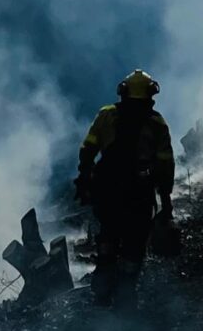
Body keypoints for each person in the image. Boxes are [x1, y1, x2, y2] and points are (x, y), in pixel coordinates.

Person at [74, 69, 175, 307]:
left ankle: (102, 289)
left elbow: (88, 148)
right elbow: (165, 163)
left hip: (107, 188)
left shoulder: (106, 115)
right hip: (139, 191)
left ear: (124, 91)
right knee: (134, 242)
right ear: (150, 94)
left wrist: (84, 177)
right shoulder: (156, 123)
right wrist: (166, 199)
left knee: (108, 234)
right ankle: (126, 294)